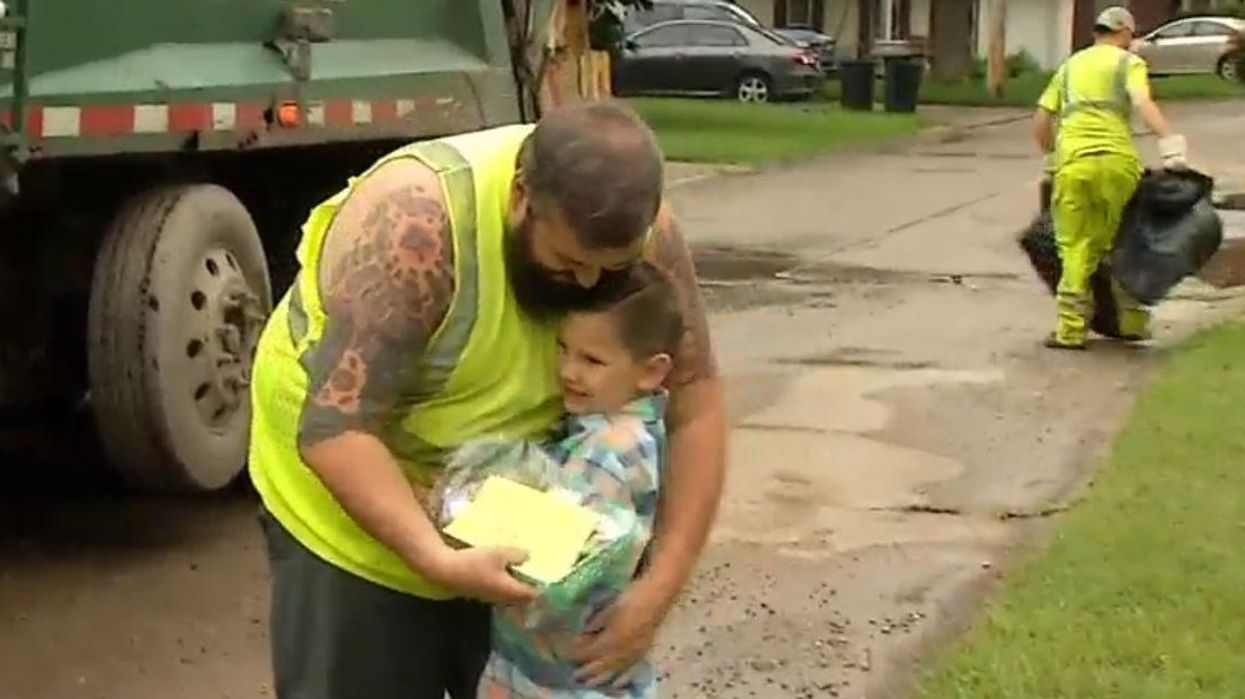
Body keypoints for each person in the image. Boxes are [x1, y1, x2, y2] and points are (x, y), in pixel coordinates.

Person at [247, 101, 727, 699]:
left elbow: (696, 403)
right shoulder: (415, 225)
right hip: (355, 511)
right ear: (522, 197)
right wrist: (436, 559)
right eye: (570, 262)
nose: (585, 285)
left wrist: (658, 589)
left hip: (501, 514)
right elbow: (336, 429)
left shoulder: (644, 234)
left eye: (609, 271)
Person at [465, 261, 681, 698]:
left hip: (560, 676)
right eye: (563, 349)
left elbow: (560, 568)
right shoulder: (626, 428)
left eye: (591, 360)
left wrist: (467, 511)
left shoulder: (607, 450)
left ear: (652, 371)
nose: (568, 371)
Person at [1032, 6, 1188, 350]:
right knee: (1120, 241)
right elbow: (1142, 102)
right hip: (1118, 165)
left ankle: (1070, 331)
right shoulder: (1127, 62)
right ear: (1124, 33)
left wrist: (1052, 155)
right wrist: (1169, 142)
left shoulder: (1070, 67)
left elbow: (1041, 120)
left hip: (1074, 164)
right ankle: (1131, 323)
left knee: (1074, 246)